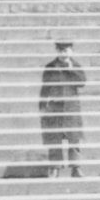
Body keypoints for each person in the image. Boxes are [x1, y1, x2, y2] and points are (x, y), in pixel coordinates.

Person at [38, 41, 89, 178]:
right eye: (60, 50)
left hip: (71, 107)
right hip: (54, 107)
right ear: (56, 51)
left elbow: (82, 82)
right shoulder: (50, 66)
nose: (63, 53)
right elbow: (45, 88)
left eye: (66, 50)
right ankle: (55, 168)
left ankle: (76, 168)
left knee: (74, 139)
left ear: (71, 51)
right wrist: (42, 106)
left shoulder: (76, 66)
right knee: (54, 138)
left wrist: (72, 69)